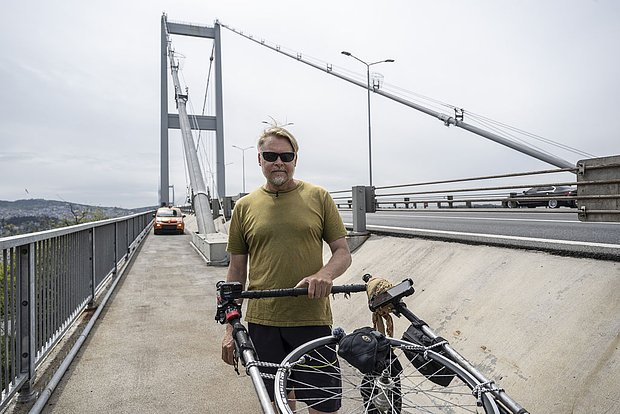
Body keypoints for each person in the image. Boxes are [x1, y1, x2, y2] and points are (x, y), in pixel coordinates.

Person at [221, 125, 352, 413]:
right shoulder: (244, 207)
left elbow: (342, 252)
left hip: (311, 319)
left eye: (286, 156)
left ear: (295, 159)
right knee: (277, 403)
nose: (278, 162)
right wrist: (231, 328)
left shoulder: (319, 197)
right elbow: (237, 270)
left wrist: (325, 274)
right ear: (259, 159)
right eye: (270, 156)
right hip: (263, 323)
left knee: (324, 406)